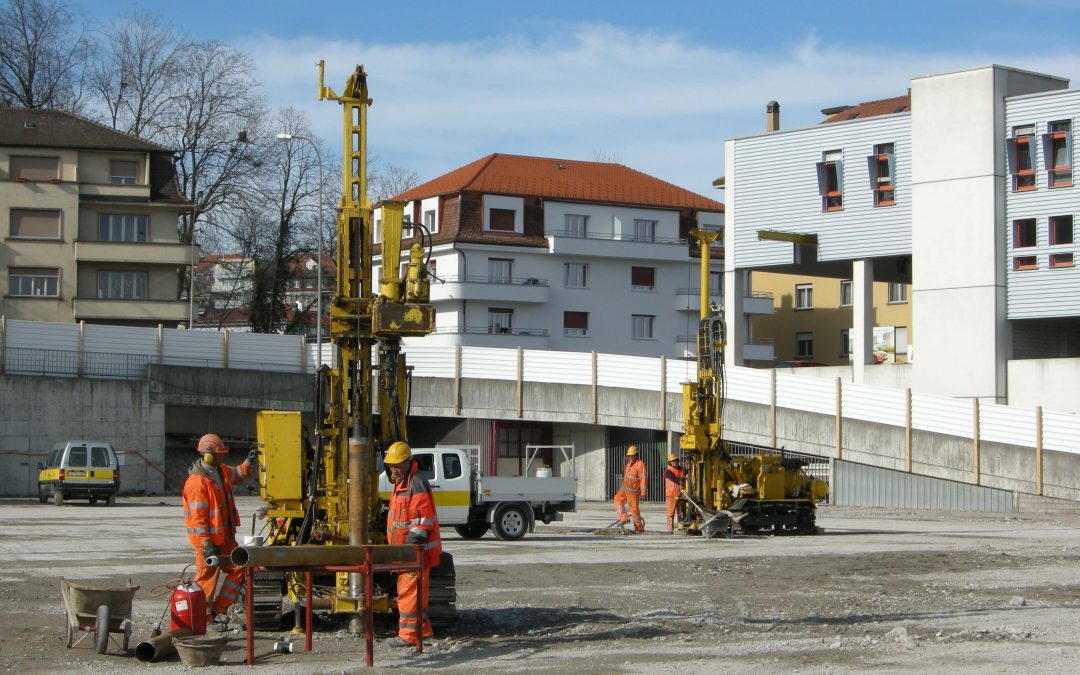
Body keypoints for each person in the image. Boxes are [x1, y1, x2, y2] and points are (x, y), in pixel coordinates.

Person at [181, 433, 257, 629]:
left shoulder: (221, 471)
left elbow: (238, 474)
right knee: (206, 580)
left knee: (240, 566)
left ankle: (218, 610)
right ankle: (201, 621)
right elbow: (199, 519)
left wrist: (248, 462)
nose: (223, 456)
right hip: (207, 542)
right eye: (220, 453)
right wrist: (206, 545)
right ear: (208, 456)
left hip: (225, 538)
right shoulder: (197, 483)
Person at [383, 441, 442, 648]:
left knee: (409, 594)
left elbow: (422, 522)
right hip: (406, 552)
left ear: (409, 462)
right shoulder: (402, 482)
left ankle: (408, 636)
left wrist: (408, 549)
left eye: (397, 465)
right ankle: (423, 632)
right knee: (416, 595)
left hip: (414, 553)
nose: (393, 469)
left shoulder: (415, 483)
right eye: (391, 465)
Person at [613, 445, 647, 532]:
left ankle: (639, 528)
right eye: (629, 456)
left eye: (632, 456)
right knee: (617, 499)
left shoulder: (640, 465)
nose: (630, 458)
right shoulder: (628, 464)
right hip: (625, 488)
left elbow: (643, 478)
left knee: (634, 509)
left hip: (633, 491)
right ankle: (624, 518)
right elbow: (626, 477)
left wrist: (643, 492)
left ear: (636, 455)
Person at [663, 452, 687, 533]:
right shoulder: (668, 471)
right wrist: (684, 478)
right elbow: (675, 479)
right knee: (671, 513)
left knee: (680, 513)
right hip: (671, 496)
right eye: (673, 461)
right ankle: (670, 529)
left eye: (676, 460)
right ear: (669, 462)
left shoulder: (682, 469)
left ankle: (681, 527)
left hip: (681, 495)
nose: (675, 462)